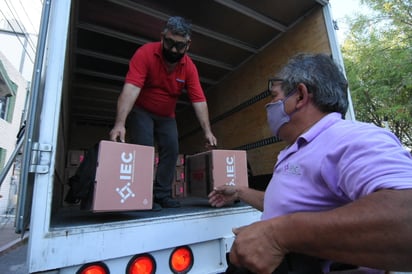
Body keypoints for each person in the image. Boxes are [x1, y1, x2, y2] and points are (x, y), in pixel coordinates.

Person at [208, 53, 412, 274]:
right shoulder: (297, 148)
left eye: (275, 97)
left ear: (300, 96)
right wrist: (239, 192)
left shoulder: (349, 138)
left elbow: (405, 217)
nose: (269, 105)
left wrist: (278, 235)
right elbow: (286, 204)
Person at [110, 16, 217, 209]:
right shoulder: (145, 54)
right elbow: (131, 88)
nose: (174, 50)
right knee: (144, 148)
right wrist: (120, 123)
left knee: (172, 148)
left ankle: (162, 194)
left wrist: (207, 131)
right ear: (162, 37)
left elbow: (198, 100)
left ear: (188, 45)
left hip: (167, 117)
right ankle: (141, 196)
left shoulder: (189, 67)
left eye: (180, 46)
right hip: (142, 111)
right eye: (169, 43)